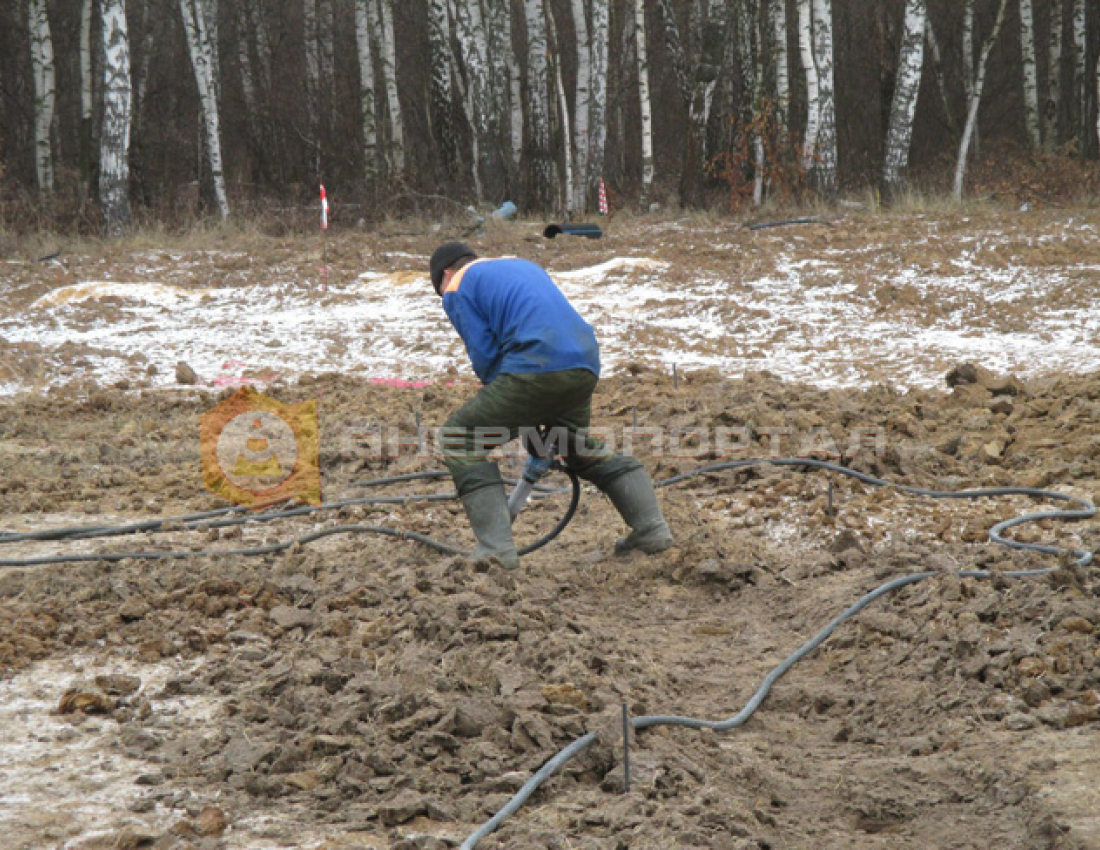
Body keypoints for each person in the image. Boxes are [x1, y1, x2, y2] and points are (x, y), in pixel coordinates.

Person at [429, 240, 673, 569]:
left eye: (439, 291)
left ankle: (495, 551)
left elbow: (486, 356)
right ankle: (651, 530)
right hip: (584, 362)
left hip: (535, 362)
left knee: (459, 437)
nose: (443, 298)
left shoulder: (458, 285)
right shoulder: (518, 265)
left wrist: (518, 412)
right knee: (574, 446)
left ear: (445, 274)